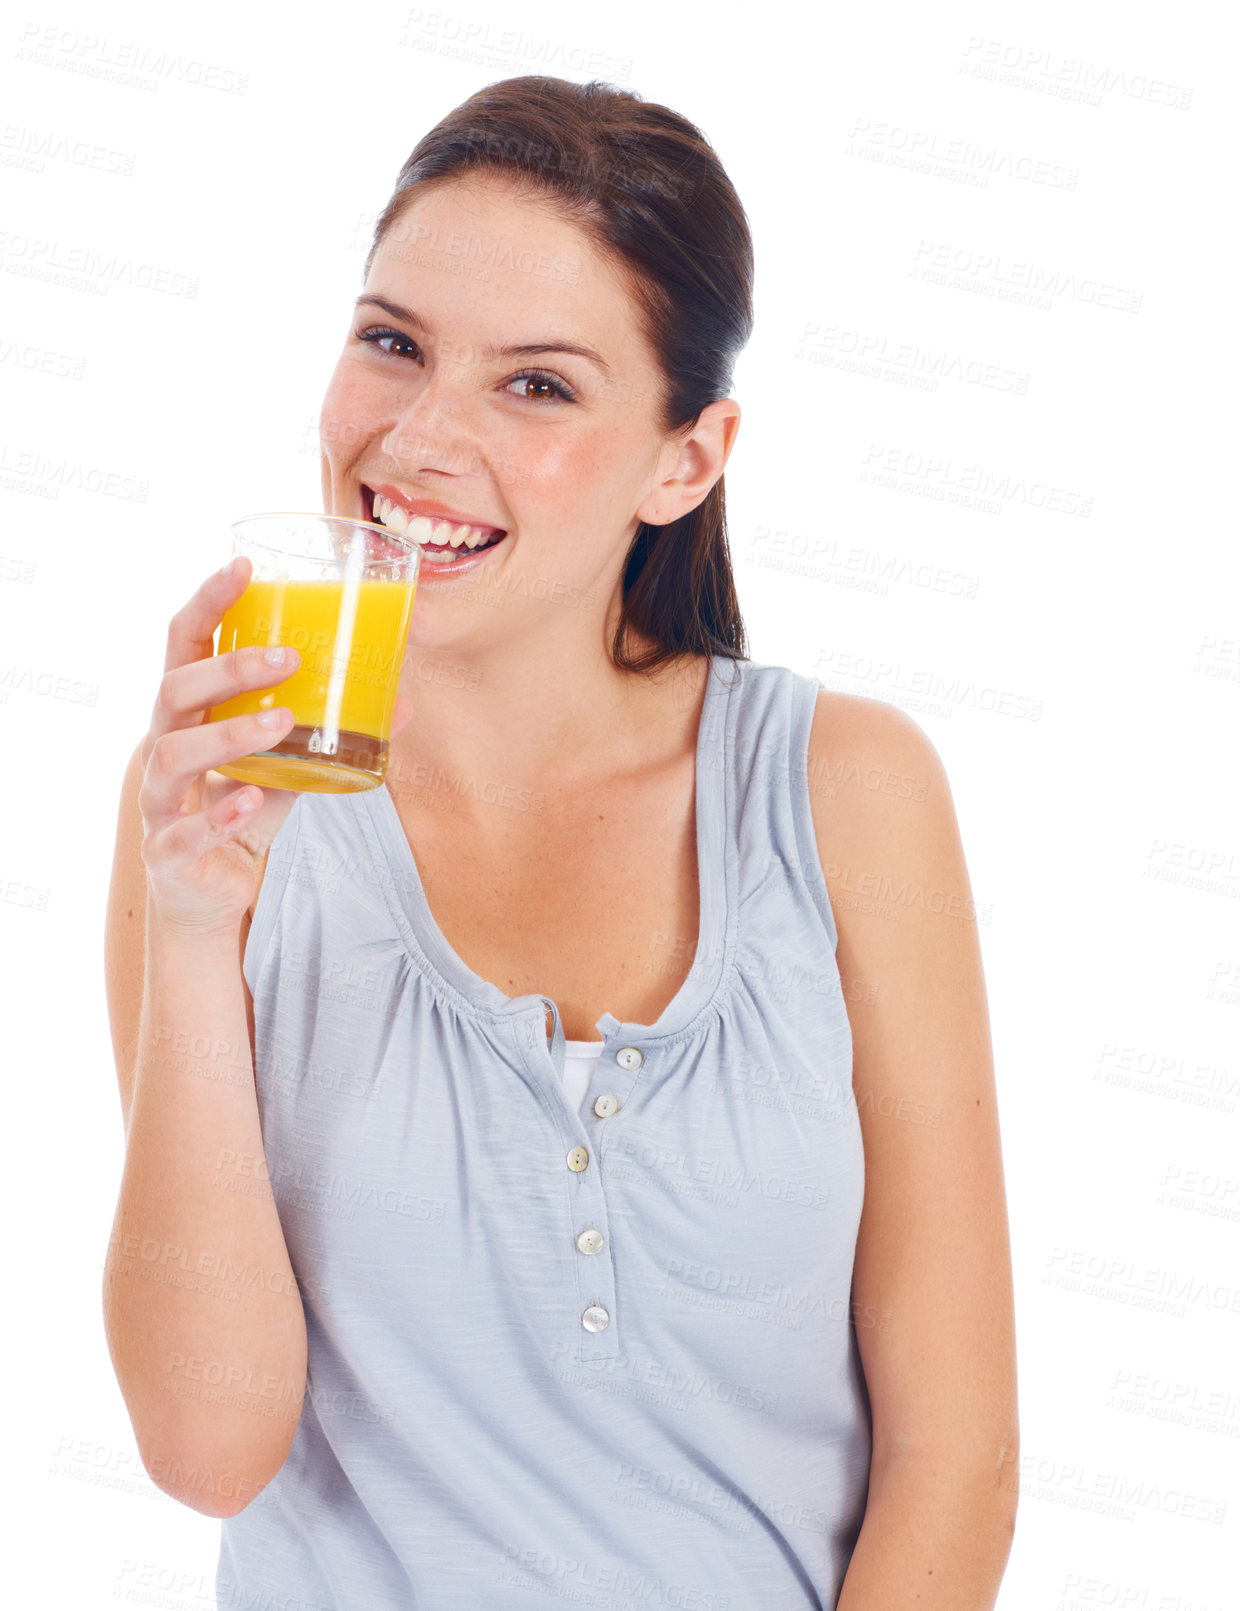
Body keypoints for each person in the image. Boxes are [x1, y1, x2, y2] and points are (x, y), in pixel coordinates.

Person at [103, 75, 1018, 1609]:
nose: (418, 438)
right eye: (392, 342)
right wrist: (194, 934)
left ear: (688, 459)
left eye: (538, 385)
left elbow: (959, 1459)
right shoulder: (213, 811)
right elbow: (211, 1450)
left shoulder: (846, 792)